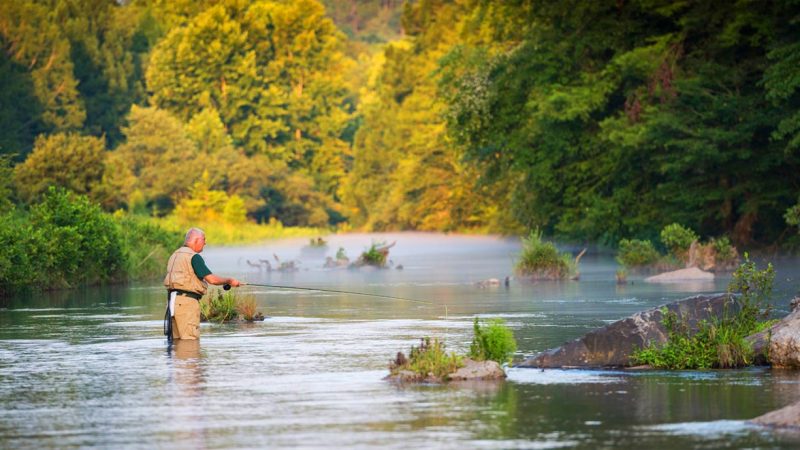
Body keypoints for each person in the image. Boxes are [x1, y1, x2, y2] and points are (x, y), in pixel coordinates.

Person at [163, 228, 241, 340]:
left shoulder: (175, 255)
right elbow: (212, 279)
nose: (205, 242)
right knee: (190, 342)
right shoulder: (194, 257)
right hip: (186, 305)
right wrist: (229, 281)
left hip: (172, 303)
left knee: (177, 343)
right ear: (196, 240)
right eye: (203, 239)